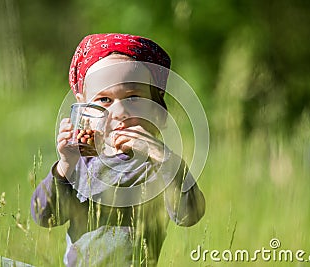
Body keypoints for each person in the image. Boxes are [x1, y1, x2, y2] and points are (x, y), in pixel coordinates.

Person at [31, 33, 205, 267]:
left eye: (133, 98)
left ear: (157, 110)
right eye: (104, 100)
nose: (119, 111)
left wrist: (165, 158)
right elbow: (45, 217)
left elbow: (189, 215)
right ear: (83, 108)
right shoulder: (81, 162)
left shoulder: (155, 166)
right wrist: (64, 166)